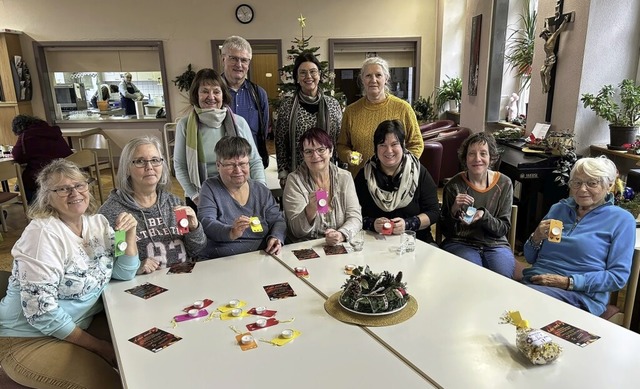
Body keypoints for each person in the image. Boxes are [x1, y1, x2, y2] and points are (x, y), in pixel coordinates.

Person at [0, 159, 139, 388]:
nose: (74, 192)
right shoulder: (42, 235)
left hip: (79, 324)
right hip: (30, 338)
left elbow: (123, 273)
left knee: (143, 345)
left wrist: (130, 234)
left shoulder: (98, 223)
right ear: (47, 197)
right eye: (63, 188)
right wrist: (99, 346)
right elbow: (41, 312)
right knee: (109, 384)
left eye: (80, 185)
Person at [522, 157, 635, 316]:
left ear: (609, 185)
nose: (582, 189)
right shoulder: (558, 209)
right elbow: (530, 257)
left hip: (579, 295)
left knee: (519, 306)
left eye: (592, 183)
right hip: (535, 283)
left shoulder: (621, 220)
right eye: (577, 183)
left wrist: (568, 282)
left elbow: (617, 277)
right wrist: (536, 238)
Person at [99, 136, 206, 274]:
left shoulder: (174, 203)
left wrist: (194, 228)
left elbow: (196, 250)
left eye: (155, 160)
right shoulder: (114, 212)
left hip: (185, 279)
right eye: (140, 161)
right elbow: (107, 263)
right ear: (127, 168)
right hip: (143, 286)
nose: (149, 167)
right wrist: (135, 267)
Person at [173, 68, 265, 212]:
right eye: (205, 91)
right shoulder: (184, 125)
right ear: (196, 94)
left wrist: (261, 191)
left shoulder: (239, 123)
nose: (211, 96)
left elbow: (254, 161)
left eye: (216, 91)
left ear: (223, 94)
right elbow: (180, 165)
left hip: (238, 192)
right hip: (199, 195)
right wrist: (196, 196)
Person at [439, 132, 515, 278]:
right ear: (465, 158)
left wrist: (483, 216)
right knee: (472, 276)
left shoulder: (504, 183)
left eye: (483, 154)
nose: (477, 159)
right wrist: (454, 210)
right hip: (461, 243)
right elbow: (446, 232)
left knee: (502, 279)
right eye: (471, 154)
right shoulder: (454, 185)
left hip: (495, 244)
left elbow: (503, 228)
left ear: (491, 157)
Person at [198, 136, 285, 259]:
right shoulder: (210, 188)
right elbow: (206, 222)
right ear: (218, 165)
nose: (238, 170)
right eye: (230, 165)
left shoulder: (261, 190)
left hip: (261, 256)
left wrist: (276, 237)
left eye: (243, 164)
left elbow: (278, 220)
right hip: (222, 259)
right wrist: (231, 232)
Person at [354, 120, 439, 244]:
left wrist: (408, 224)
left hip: (415, 242)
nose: (389, 150)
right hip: (373, 242)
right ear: (375, 148)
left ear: (403, 145)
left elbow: (433, 212)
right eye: (382, 145)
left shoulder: (419, 172)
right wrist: (372, 224)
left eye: (394, 144)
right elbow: (352, 214)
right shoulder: (365, 175)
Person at [337, 57, 423, 176]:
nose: (373, 80)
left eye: (378, 75)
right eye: (368, 76)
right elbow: (342, 145)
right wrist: (348, 155)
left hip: (395, 180)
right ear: (362, 79)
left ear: (386, 78)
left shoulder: (403, 108)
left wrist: (402, 166)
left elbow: (416, 143)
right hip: (360, 180)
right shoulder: (351, 111)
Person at [275, 51, 343, 189]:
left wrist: (341, 168)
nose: (308, 77)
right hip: (297, 175)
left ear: (319, 75)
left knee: (325, 208)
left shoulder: (333, 105)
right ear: (296, 77)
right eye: (303, 73)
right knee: (302, 210)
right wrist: (283, 174)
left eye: (313, 72)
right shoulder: (287, 107)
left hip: (327, 174)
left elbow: (338, 139)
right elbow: (281, 142)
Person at [283, 127, 361, 244]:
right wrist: (310, 210)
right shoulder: (294, 181)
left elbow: (355, 218)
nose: (315, 156)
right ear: (303, 155)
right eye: (309, 151)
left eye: (321, 150)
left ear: (331, 151)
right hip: (305, 248)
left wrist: (341, 234)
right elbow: (296, 231)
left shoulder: (345, 177)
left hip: (339, 245)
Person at [221, 36, 271, 167]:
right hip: (220, 166)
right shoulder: (213, 94)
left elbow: (263, 132)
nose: (239, 65)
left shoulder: (259, 94)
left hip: (250, 165)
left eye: (244, 60)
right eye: (233, 58)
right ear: (223, 59)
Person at [11, 114, 73, 203]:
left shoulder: (26, 136)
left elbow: (17, 156)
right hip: (66, 170)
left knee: (27, 180)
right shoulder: (52, 131)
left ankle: (37, 208)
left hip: (44, 174)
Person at [540, 14, 569, 94]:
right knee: (541, 72)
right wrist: (546, 22)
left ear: (545, 34)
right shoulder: (546, 41)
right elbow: (547, 28)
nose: (542, 37)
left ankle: (548, 85)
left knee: (546, 73)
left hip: (551, 58)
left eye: (542, 36)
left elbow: (558, 30)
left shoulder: (552, 37)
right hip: (547, 58)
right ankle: (544, 86)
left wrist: (565, 21)